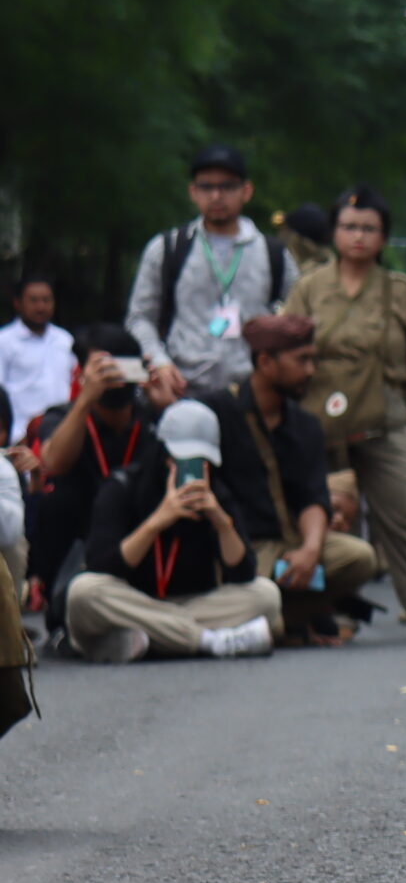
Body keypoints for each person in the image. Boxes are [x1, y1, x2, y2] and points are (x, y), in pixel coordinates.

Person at [282, 186, 406, 643]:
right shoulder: (309, 287)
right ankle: (327, 615)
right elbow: (288, 344)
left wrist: (405, 392)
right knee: (322, 518)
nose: (358, 237)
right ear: (333, 233)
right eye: (349, 227)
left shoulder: (400, 290)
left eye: (369, 229)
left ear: (383, 238)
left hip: (385, 412)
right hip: (318, 415)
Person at [199, 315, 379, 643]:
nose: (311, 370)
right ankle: (276, 622)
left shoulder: (304, 424)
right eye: (302, 360)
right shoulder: (216, 412)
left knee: (359, 558)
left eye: (313, 359)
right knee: (257, 587)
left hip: (288, 547)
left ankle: (276, 621)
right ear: (265, 362)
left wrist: (310, 549)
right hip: (238, 551)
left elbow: (313, 497)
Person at [62, 397, 282, 663]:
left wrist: (220, 521)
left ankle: (152, 639)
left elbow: (242, 572)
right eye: (179, 459)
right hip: (132, 600)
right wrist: (158, 520)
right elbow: (103, 565)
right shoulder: (122, 487)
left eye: (199, 461)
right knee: (83, 592)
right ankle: (207, 641)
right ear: (161, 453)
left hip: (183, 605)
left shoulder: (216, 494)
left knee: (266, 595)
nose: (187, 469)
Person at [26, 328, 174, 629]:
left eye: (120, 365)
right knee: (55, 502)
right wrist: (84, 401)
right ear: (82, 373)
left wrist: (167, 408)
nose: (112, 375)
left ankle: (127, 626)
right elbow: (54, 461)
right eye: (102, 367)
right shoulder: (63, 416)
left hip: (142, 543)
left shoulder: (153, 419)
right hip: (84, 547)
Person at [125, 145, 298, 397]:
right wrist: (159, 361)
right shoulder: (169, 248)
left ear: (246, 191)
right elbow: (139, 318)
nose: (216, 196)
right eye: (206, 187)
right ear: (193, 192)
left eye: (227, 186)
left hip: (252, 394)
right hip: (183, 389)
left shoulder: (273, 254)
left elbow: (297, 316)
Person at [2, 273, 75, 439]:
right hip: (18, 437)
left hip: (60, 435)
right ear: (17, 303)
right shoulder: (4, 341)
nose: (41, 306)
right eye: (33, 300)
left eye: (46, 300)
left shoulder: (64, 340)